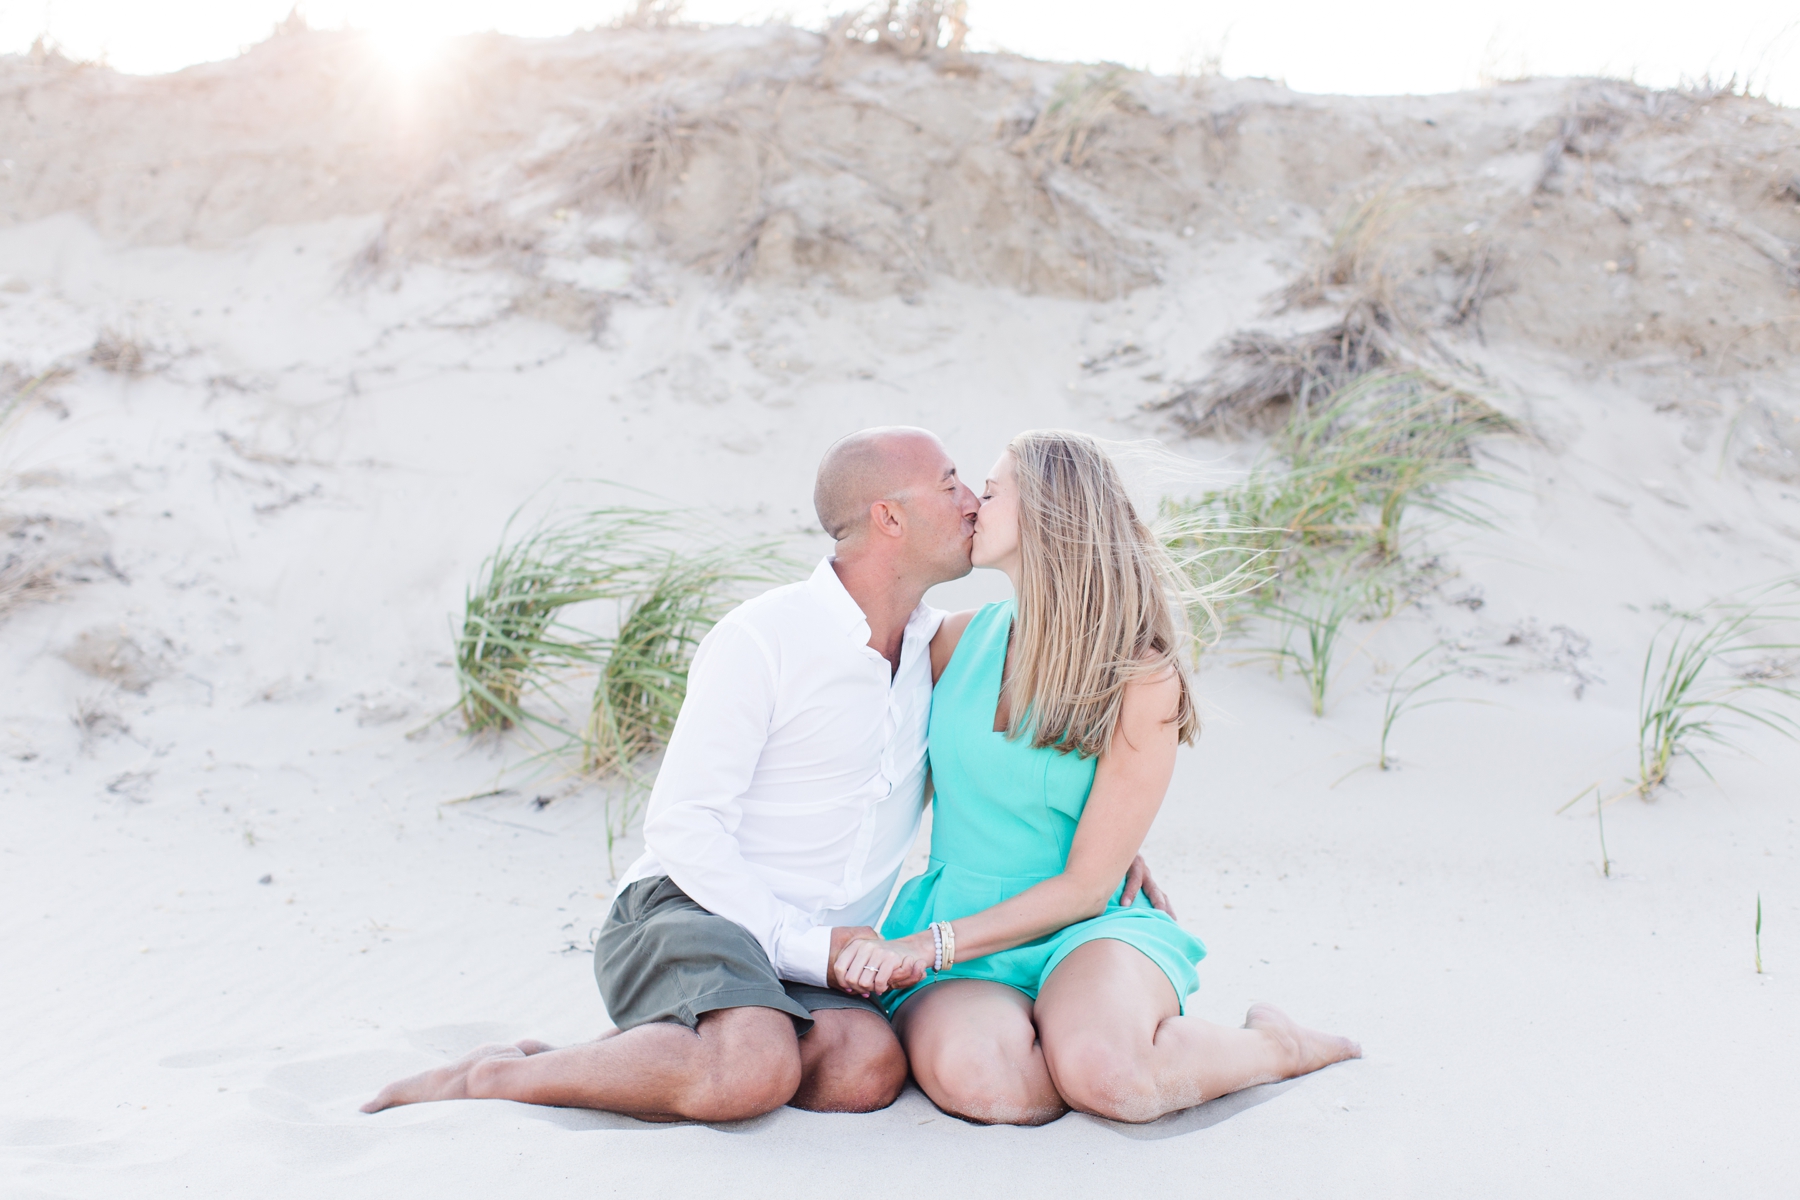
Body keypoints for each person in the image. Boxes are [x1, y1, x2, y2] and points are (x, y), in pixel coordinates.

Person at [360, 427, 1169, 1121]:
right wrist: (806, 948)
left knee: (865, 1069)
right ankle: (495, 1076)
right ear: (889, 516)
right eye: (953, 485)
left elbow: (1029, 750)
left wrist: (1103, 843)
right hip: (692, 905)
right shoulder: (766, 638)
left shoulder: (940, 649)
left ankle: (618, 1053)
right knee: (751, 1067)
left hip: (816, 941)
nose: (970, 504)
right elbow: (681, 831)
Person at [833, 430, 1362, 1125]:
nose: (970, 508)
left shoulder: (1140, 677)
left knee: (1112, 1079)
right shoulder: (949, 643)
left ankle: (1271, 1045)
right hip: (959, 917)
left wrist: (923, 948)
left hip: (1086, 923)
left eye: (989, 494)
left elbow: (1085, 884)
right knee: (989, 1086)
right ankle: (1058, 1036)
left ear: (1050, 516)